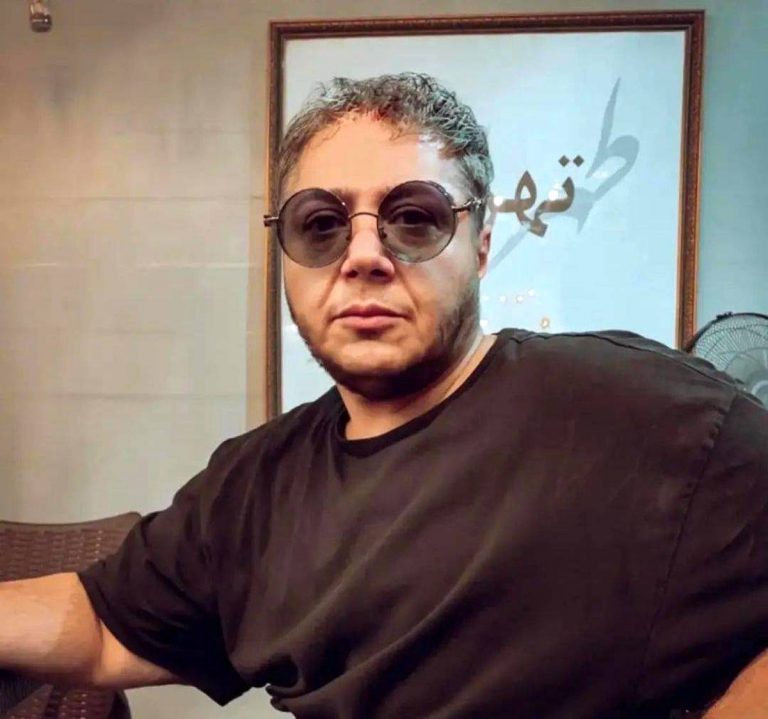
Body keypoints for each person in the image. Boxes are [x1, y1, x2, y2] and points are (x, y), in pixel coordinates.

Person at [2, 72, 768, 719]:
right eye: (321, 224)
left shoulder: (644, 415)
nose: (363, 254)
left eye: (413, 217)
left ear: (481, 244)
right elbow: (104, 624)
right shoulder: (253, 485)